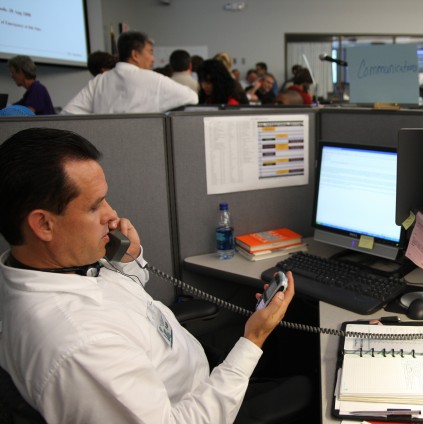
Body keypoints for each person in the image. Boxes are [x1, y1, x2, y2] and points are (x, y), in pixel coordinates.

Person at [0, 128, 310, 423]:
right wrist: (253, 338)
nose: (111, 215)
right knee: (306, 386)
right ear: (43, 225)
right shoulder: (81, 346)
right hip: (203, 409)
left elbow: (120, 309)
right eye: (95, 207)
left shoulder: (56, 267)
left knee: (282, 353)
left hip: (194, 370)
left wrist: (127, 261)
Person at [62, 31, 198, 114]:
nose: (153, 58)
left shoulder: (99, 81)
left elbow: (68, 114)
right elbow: (192, 97)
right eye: (150, 52)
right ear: (135, 55)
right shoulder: (154, 79)